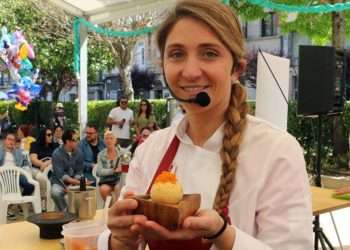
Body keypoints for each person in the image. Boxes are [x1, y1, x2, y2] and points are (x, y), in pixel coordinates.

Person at [99, 1, 313, 250]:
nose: (190, 72)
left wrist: (223, 234)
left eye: (209, 53)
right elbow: (124, 240)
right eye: (177, 54)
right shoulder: (151, 150)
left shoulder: (277, 151)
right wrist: (119, 240)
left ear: (237, 69)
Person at [50, 129, 90, 211]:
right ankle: (66, 212)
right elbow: (60, 175)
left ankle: (80, 212)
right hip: (59, 182)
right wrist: (73, 184)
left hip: (75, 181)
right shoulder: (56, 154)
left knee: (87, 191)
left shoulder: (79, 153)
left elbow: (79, 170)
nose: (78, 142)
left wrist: (73, 185)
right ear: (67, 142)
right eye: (75, 140)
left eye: (78, 139)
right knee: (55, 193)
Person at [0, 132, 34, 219]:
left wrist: (25, 169)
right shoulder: (0, 151)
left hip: (16, 174)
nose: (11, 142)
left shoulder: (19, 152)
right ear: (5, 141)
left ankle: (19, 203)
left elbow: (26, 164)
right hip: (2, 175)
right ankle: (7, 207)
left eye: (13, 140)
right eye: (9, 139)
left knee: (30, 185)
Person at [29, 128, 59, 205]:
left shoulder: (55, 145)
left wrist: (47, 163)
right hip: (37, 169)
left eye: (51, 135)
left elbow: (59, 157)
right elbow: (33, 160)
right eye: (48, 135)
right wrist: (42, 164)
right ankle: (44, 199)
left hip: (51, 169)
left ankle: (47, 201)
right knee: (41, 178)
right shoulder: (35, 145)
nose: (51, 136)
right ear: (43, 136)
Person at [96, 131, 122, 201]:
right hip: (106, 180)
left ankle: (117, 208)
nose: (109, 140)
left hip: (119, 179)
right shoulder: (101, 154)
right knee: (103, 189)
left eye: (111, 138)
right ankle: (110, 208)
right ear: (104, 141)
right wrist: (112, 171)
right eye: (106, 138)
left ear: (115, 140)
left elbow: (127, 166)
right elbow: (98, 172)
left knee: (118, 188)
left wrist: (121, 169)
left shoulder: (122, 152)